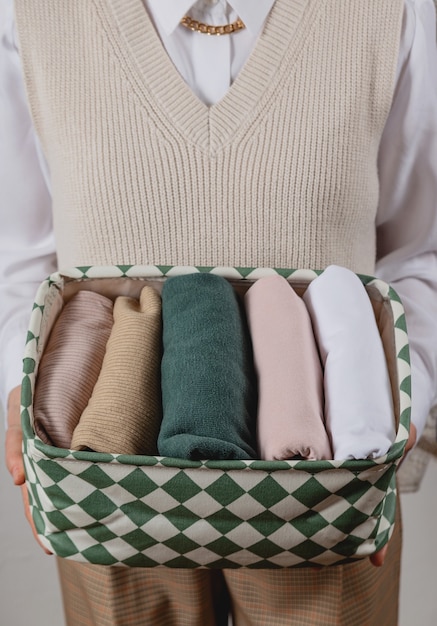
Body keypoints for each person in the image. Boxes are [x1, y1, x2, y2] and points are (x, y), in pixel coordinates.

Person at [2, 0, 437, 624]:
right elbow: (19, 250)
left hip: (329, 479)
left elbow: (420, 249)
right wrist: (27, 394)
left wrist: (398, 405)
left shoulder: (388, 12)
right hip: (103, 461)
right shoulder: (33, 15)